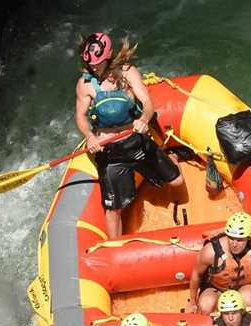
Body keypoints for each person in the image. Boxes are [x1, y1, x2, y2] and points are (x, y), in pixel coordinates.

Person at [75, 32, 184, 239]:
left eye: (97, 63)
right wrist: (89, 136)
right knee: (112, 209)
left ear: (107, 57)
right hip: (110, 150)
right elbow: (80, 116)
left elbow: (148, 103)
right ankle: (115, 246)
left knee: (177, 182)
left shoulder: (126, 72)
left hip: (136, 140)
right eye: (90, 64)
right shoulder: (85, 84)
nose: (93, 67)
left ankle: (174, 157)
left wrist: (144, 119)